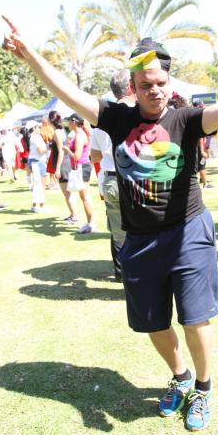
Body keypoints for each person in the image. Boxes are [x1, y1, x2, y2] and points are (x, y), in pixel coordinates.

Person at [2, 14, 218, 431]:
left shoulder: (186, 120)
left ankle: (203, 388)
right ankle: (180, 377)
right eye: (145, 85)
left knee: (194, 318)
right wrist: (30, 54)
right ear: (133, 87)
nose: (154, 90)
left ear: (169, 82)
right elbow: (67, 92)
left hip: (188, 231)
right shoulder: (116, 119)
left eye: (160, 82)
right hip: (139, 239)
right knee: (153, 323)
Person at [90, 69, 136, 281]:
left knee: (118, 232)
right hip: (134, 177)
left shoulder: (103, 117)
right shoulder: (141, 112)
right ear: (131, 87)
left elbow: (95, 155)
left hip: (110, 178)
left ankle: (122, 272)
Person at [62, 113, 96, 234]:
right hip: (81, 166)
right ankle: (90, 223)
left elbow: (77, 156)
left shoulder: (79, 136)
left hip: (82, 166)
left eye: (69, 121)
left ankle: (91, 224)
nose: (68, 123)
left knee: (85, 197)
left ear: (74, 122)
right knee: (84, 196)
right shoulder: (79, 134)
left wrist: (66, 149)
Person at [26, 119, 49, 213]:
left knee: (37, 185)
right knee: (41, 185)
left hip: (34, 161)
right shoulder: (36, 137)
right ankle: (42, 206)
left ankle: (35, 205)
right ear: (34, 128)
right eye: (38, 127)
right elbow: (40, 151)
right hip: (38, 161)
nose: (40, 128)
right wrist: (47, 148)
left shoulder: (32, 137)